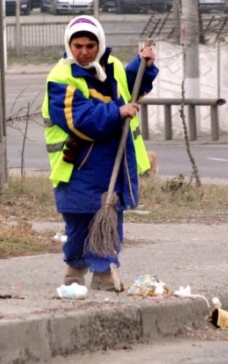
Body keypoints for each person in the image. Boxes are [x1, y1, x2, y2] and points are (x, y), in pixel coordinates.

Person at [42, 15, 158, 291]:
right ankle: (76, 267)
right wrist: (117, 112)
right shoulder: (60, 78)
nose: (83, 52)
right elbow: (79, 119)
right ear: (69, 45)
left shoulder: (112, 65)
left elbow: (128, 87)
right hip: (77, 164)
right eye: (78, 45)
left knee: (108, 217)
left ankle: (104, 271)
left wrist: (143, 67)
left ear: (99, 45)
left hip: (110, 161)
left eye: (90, 46)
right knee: (80, 218)